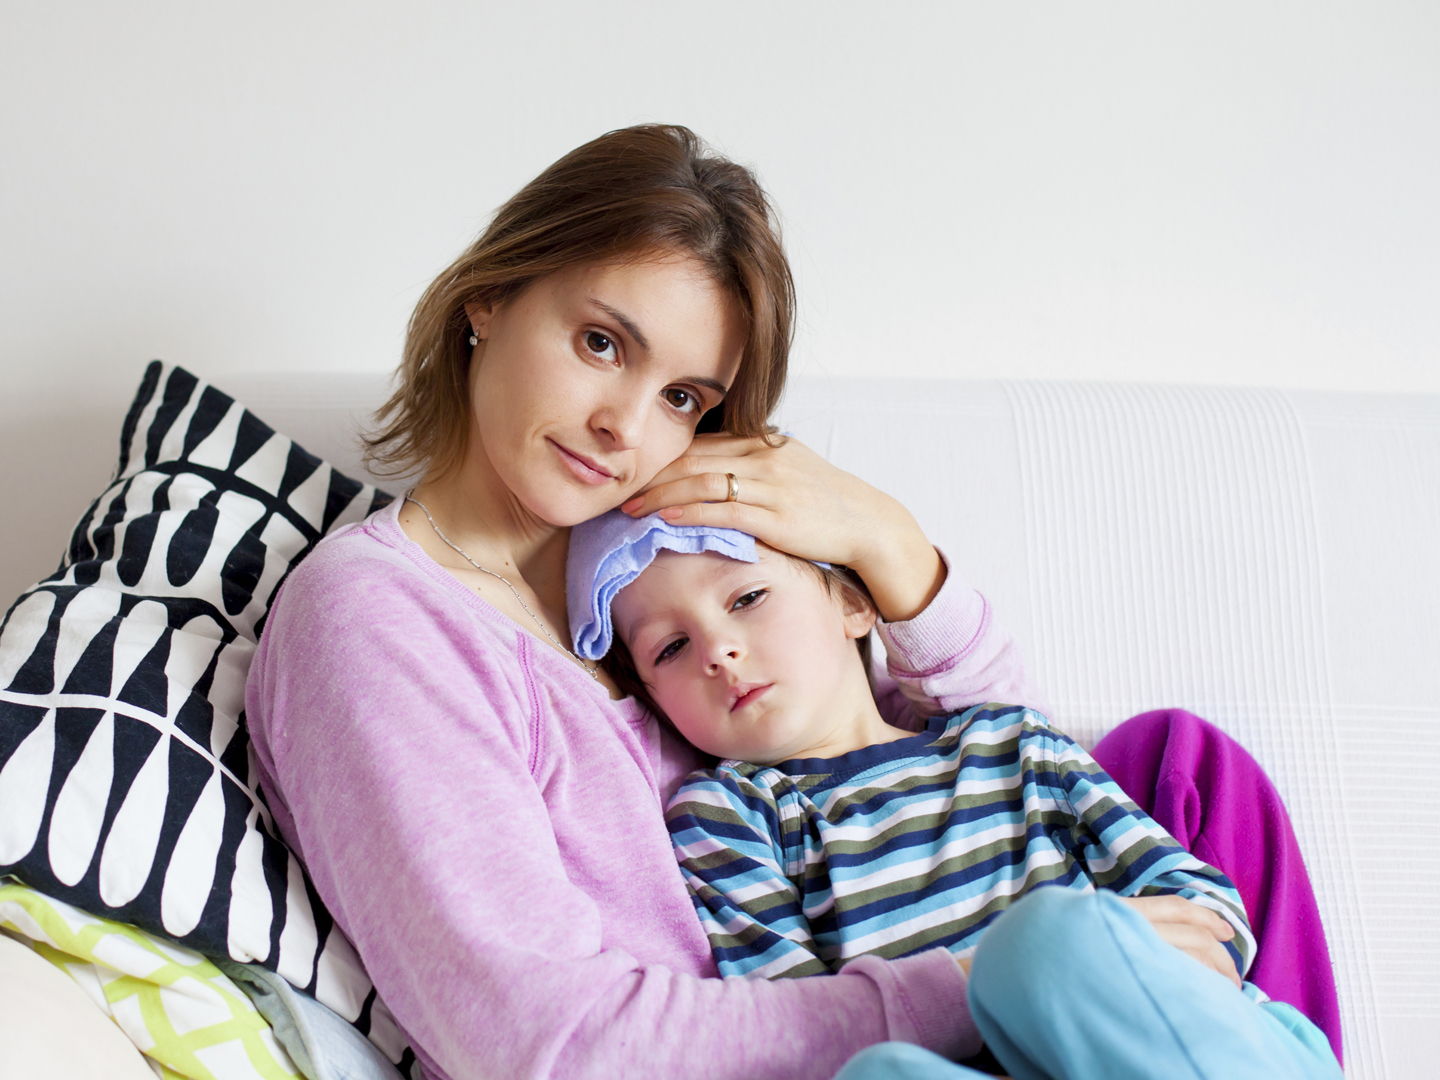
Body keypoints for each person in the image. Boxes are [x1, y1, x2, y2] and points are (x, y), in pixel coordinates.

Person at [245, 124, 1338, 1080]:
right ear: (489, 295)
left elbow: (982, 770)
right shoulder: (380, 619)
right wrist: (988, 970)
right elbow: (545, 1045)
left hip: (988, 994)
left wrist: (881, 540)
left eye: (683, 397)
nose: (627, 426)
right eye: (600, 342)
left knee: (1177, 765)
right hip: (860, 1039)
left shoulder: (659, 568)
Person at [565, 514, 1341, 1079]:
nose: (718, 650)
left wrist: (1091, 957)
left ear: (853, 605)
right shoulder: (727, 815)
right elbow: (794, 1024)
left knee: (1049, 945)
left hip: (1173, 1042)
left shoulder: (1010, 742)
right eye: (670, 647)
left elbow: (1199, 903)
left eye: (746, 599)